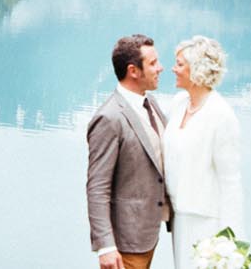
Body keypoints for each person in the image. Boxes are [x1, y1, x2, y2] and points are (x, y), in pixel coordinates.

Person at [87, 34, 169, 269]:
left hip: (148, 235)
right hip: (124, 245)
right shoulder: (109, 118)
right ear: (133, 70)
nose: (160, 68)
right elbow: (97, 186)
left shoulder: (150, 103)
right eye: (153, 63)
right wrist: (106, 246)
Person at [164, 36, 242, 268]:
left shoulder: (221, 115)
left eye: (179, 64)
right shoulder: (178, 104)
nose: (173, 69)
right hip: (179, 216)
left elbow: (231, 181)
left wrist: (229, 238)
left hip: (207, 220)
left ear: (196, 70)